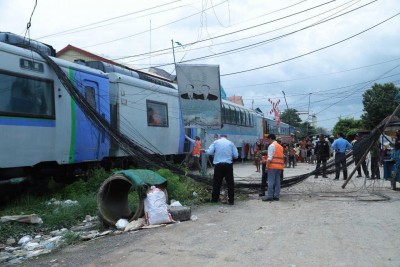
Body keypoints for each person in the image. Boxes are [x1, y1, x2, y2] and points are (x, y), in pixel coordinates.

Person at [204, 134, 238, 205]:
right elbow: (236, 156)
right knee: (230, 183)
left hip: (218, 165)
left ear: (220, 137)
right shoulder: (231, 143)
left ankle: (214, 199)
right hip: (228, 165)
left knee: (217, 183)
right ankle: (231, 200)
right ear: (226, 137)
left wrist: (204, 151)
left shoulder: (216, 142)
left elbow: (209, 152)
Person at [262, 134, 284, 201]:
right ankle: (276, 196)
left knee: (270, 181)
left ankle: (270, 196)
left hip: (272, 166)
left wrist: (266, 167)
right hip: (279, 167)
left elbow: (270, 158)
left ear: (271, 138)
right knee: (277, 181)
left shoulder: (271, 146)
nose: (268, 141)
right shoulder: (280, 146)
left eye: (268, 139)